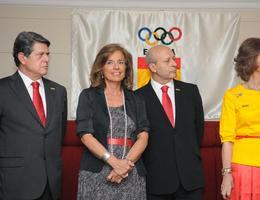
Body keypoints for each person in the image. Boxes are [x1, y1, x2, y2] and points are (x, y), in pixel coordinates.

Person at [76, 43, 149, 200]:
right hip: (97, 172)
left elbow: (143, 136)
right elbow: (85, 135)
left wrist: (124, 166)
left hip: (130, 171)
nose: (116, 67)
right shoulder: (88, 96)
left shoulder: (136, 99)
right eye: (110, 62)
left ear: (126, 68)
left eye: (121, 62)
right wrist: (114, 162)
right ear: (100, 68)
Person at [0, 31, 67, 200]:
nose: (47, 59)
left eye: (48, 54)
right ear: (23, 57)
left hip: (51, 184)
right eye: (40, 54)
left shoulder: (59, 91)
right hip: (13, 184)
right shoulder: (3, 89)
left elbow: (60, 135)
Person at [136, 45, 204, 200]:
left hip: (190, 179)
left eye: (174, 59)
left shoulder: (191, 92)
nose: (174, 63)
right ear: (153, 67)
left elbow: (198, 131)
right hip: (155, 180)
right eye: (168, 61)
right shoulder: (138, 97)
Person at [220, 38, 260, 200]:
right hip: (243, 165)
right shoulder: (232, 96)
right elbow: (227, 139)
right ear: (252, 59)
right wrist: (227, 174)